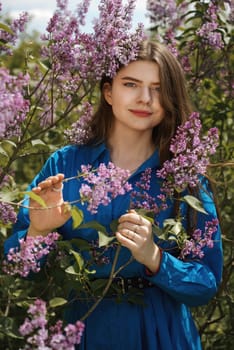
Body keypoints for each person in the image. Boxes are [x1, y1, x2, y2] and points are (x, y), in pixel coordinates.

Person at [4, 40, 222, 350]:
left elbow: (206, 285)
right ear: (109, 92)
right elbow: (21, 272)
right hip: (86, 327)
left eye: (158, 89)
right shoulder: (66, 165)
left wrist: (156, 258)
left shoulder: (185, 177)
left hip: (161, 333)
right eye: (131, 84)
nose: (145, 98)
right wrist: (38, 231)